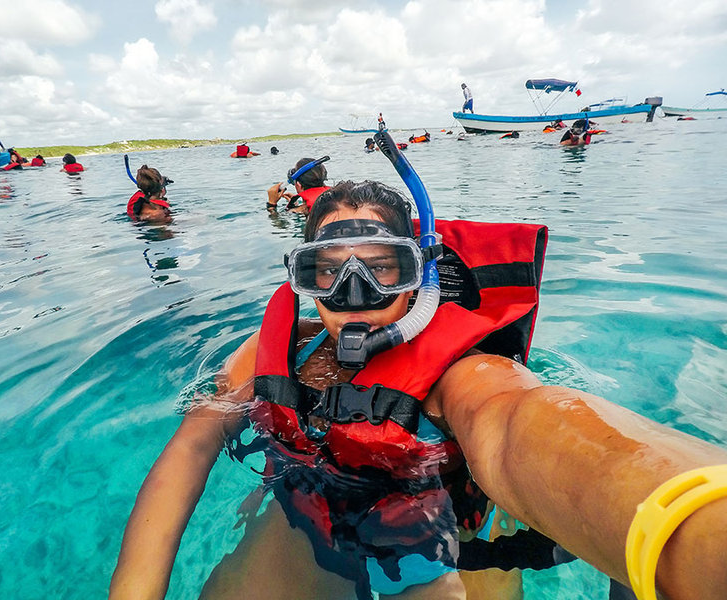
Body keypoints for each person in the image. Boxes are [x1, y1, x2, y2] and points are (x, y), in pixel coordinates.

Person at [110, 138, 727, 600]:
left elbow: (516, 424)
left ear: (421, 279)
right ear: (304, 278)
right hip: (308, 521)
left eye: (382, 269)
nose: (353, 293)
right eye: (330, 270)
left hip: (443, 545)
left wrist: (686, 522)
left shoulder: (462, 372)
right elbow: (190, 451)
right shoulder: (265, 356)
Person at [266, 156, 330, 214]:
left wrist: (271, 205)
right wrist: (295, 205)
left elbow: (279, 223)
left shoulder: (300, 210)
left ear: (298, 185)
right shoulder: (335, 197)